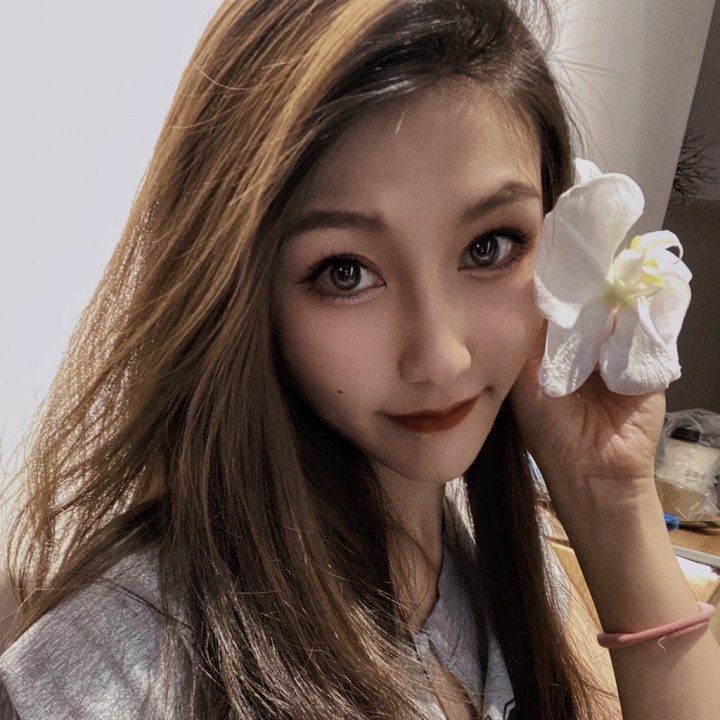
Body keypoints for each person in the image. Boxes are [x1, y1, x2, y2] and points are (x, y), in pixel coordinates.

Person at [1, 0, 718, 718]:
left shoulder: (497, 554)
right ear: (238, 289)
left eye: (489, 247)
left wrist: (610, 498)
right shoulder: (116, 668)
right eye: (345, 272)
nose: (440, 357)